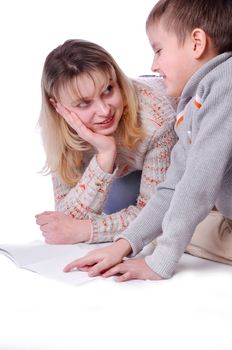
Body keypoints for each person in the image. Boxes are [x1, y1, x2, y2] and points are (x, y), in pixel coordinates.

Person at [64, 0, 232, 281]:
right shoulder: (195, 104)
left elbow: (197, 187)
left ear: (196, 43)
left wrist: (160, 262)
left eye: (158, 50)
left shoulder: (225, 84)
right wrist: (123, 244)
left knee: (179, 227)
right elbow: (171, 187)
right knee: (175, 223)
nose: (153, 65)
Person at [35, 39, 177, 245]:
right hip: (126, 172)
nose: (104, 111)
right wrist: (105, 155)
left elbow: (154, 215)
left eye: (108, 90)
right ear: (58, 107)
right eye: (84, 103)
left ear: (117, 80)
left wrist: (87, 231)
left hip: (180, 155)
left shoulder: (156, 120)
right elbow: (66, 221)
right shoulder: (59, 128)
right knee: (115, 201)